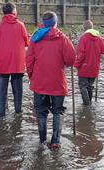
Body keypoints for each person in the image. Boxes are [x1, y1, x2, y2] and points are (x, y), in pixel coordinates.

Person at [26, 11, 75, 150]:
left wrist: (32, 77)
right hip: (58, 83)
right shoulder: (63, 39)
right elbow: (71, 61)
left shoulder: (35, 38)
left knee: (41, 112)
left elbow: (29, 61)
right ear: (55, 23)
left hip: (39, 83)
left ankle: (42, 141)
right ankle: (55, 141)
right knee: (58, 111)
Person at [0, 2, 29, 117]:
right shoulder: (21, 25)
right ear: (14, 11)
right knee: (18, 91)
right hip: (18, 63)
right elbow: (26, 42)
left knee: (1, 91)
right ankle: (18, 112)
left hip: (3, 63)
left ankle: (1, 114)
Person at [74, 20, 104, 105]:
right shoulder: (99, 38)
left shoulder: (83, 38)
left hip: (84, 67)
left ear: (84, 28)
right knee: (90, 86)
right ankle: (89, 103)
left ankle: (86, 104)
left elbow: (81, 54)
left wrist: (76, 65)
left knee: (83, 86)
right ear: (92, 27)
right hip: (94, 67)